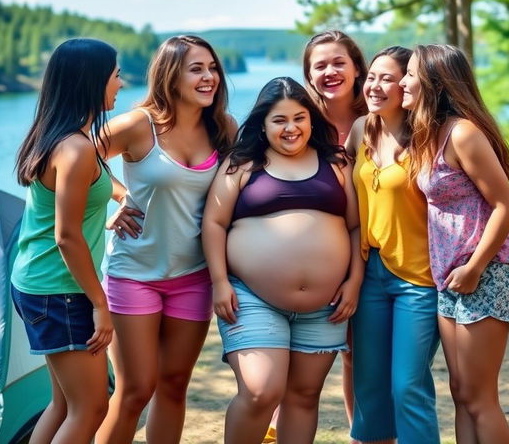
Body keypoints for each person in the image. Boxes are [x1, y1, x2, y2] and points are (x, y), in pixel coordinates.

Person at [202, 77, 364, 444]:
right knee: (261, 391)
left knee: (304, 396)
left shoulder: (336, 162)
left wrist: (354, 280)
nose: (291, 128)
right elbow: (213, 222)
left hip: (327, 305)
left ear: (311, 120)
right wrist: (219, 281)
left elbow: (355, 228)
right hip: (251, 297)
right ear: (263, 123)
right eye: (279, 120)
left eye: (299, 118)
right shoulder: (242, 164)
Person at [95, 35, 236, 444]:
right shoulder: (139, 125)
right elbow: (75, 157)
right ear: (171, 75)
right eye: (197, 69)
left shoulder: (223, 128)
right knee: (135, 391)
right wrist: (118, 197)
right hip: (133, 274)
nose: (209, 77)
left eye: (212, 68)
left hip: (193, 277)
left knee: (173, 388)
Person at [400, 44, 509, 444]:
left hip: (488, 270)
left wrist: (474, 268)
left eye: (409, 73)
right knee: (461, 393)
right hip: (451, 275)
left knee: (479, 396)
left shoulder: (463, 133)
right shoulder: (428, 134)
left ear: (434, 82)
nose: (402, 81)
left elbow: (507, 205)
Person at [11, 38, 122, 444]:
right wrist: (100, 304)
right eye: (116, 75)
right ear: (90, 82)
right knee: (92, 407)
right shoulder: (76, 149)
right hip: (61, 292)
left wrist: (121, 194)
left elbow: (91, 188)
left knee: (64, 406)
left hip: (39, 284)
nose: (121, 85)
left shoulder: (57, 136)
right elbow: (68, 236)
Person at [345, 46, 440, 444]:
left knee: (407, 385)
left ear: (406, 85)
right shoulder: (360, 130)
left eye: (387, 78)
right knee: (369, 386)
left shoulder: (430, 136)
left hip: (419, 279)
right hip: (370, 274)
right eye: (371, 77)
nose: (375, 86)